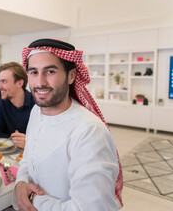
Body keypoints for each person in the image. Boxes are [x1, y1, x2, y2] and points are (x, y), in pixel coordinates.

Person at [13, 39, 123, 210]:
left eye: (50, 71)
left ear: (71, 76)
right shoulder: (36, 111)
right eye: (34, 72)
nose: (40, 82)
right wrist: (20, 183)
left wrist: (33, 199)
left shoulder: (90, 131)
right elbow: (27, 159)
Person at [0, 62, 35, 149]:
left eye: (4, 81)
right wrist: (14, 139)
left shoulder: (37, 104)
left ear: (19, 83)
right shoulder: (3, 102)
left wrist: (29, 141)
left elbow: (48, 140)